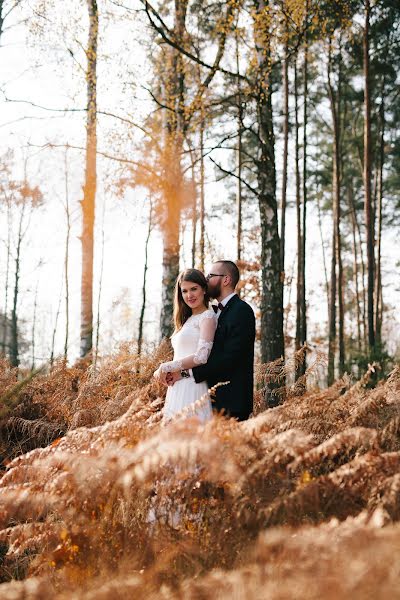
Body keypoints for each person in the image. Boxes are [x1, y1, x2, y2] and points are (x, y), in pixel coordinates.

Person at [167, 260, 256, 421]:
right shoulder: (213, 313)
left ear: (226, 280)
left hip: (232, 402)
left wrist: (184, 373)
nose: (206, 280)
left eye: (210, 276)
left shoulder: (241, 311)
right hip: (210, 398)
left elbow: (229, 358)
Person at [154, 268, 217, 422]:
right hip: (178, 385)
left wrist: (167, 366)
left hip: (193, 387)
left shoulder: (207, 317)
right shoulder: (186, 320)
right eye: (185, 291)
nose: (189, 295)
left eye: (194, 289)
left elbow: (202, 356)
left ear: (204, 289)